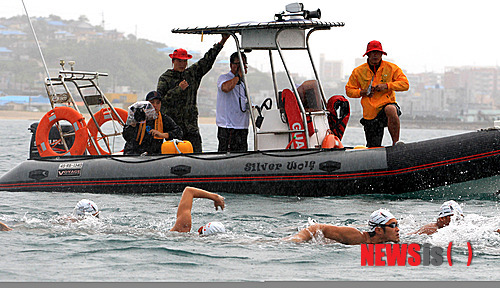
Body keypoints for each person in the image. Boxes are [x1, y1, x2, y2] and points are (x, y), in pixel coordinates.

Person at [157, 34, 230, 153]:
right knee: (173, 158)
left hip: (191, 127)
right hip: (173, 128)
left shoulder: (192, 74)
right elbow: (161, 102)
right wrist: (178, 89)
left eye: (184, 61)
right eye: (179, 61)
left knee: (196, 156)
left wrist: (222, 42)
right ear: (173, 61)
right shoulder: (165, 78)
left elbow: (207, 60)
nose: (182, 64)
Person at [345, 40, 409, 147]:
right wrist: (362, 92)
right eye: (372, 52)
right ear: (368, 54)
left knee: (391, 109)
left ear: (382, 54)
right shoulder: (358, 71)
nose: (375, 55)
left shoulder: (391, 68)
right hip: (370, 113)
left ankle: (396, 143)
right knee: (373, 146)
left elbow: (405, 84)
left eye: (377, 52)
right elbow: (349, 90)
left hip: (387, 105)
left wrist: (387, 86)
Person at [284, 208, 400, 244]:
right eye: (393, 225)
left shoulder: (386, 241)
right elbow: (317, 228)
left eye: (397, 225)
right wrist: (299, 238)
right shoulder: (355, 237)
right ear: (378, 230)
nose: (397, 229)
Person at [123, 91, 183, 155]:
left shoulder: (163, 118)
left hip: (154, 155)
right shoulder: (138, 115)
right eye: (152, 103)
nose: (155, 105)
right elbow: (126, 136)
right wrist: (133, 125)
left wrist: (162, 135)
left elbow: (179, 132)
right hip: (134, 153)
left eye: (158, 103)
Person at [216, 52, 250, 152]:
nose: (241, 67)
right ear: (231, 65)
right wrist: (238, 76)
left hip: (242, 127)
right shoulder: (224, 78)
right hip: (228, 127)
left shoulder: (244, 83)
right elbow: (226, 88)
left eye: (243, 65)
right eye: (238, 64)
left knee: (241, 155)